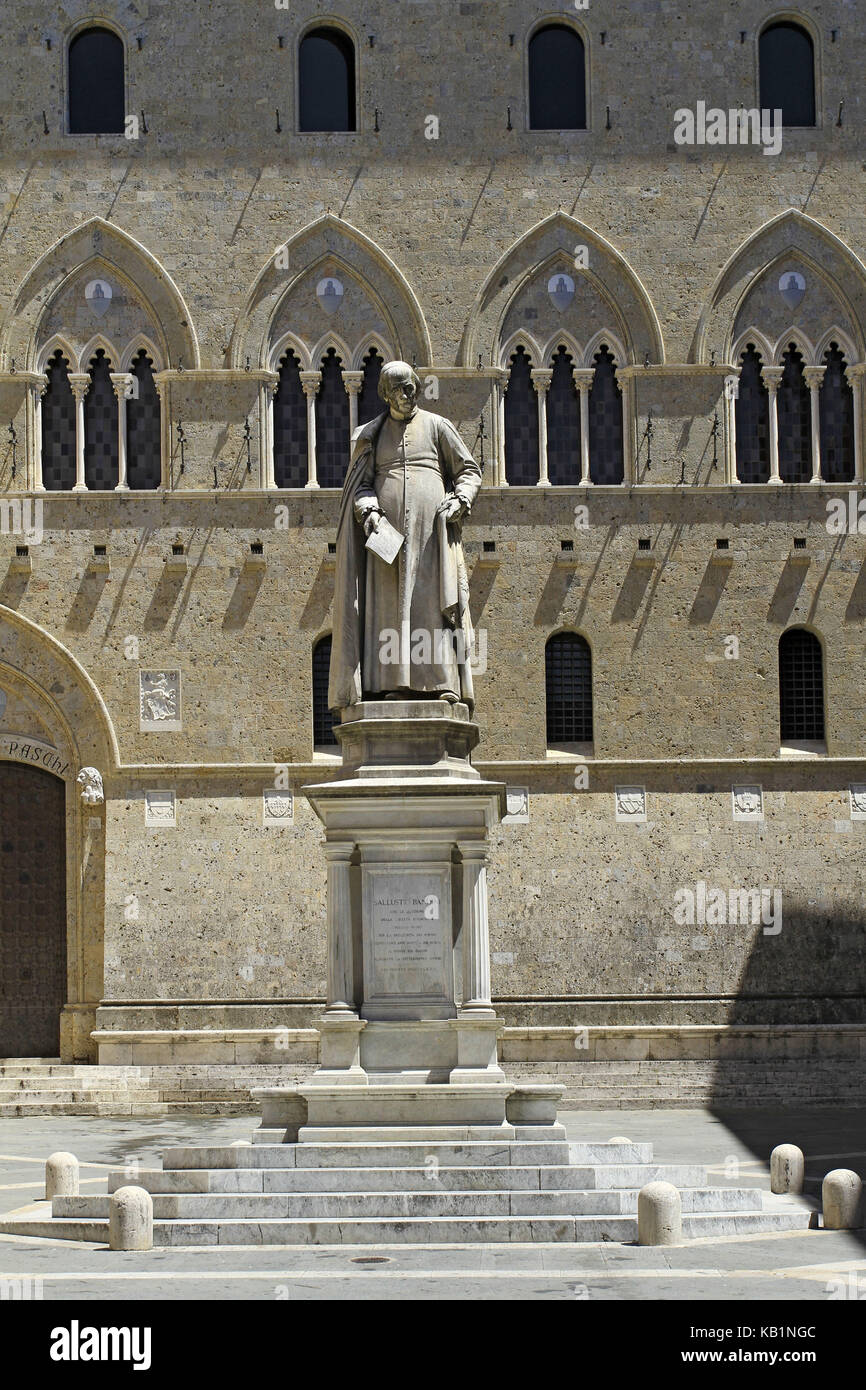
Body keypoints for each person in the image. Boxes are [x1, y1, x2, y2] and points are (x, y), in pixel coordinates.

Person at [328, 360, 482, 713]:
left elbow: (469, 471)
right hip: (386, 541)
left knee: (431, 604)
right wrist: (368, 510)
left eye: (411, 385)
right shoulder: (373, 434)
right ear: (385, 394)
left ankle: (443, 683)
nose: (408, 392)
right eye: (399, 387)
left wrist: (460, 499)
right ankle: (390, 685)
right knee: (389, 610)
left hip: (431, 534)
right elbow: (361, 485)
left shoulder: (437, 426)